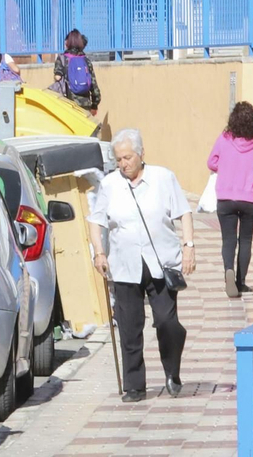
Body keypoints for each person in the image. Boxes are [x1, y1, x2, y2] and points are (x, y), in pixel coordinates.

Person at [88, 128, 195, 402]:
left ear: (141, 154)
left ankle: (172, 372)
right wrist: (99, 253)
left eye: (127, 157)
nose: (123, 164)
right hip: (124, 264)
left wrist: (189, 246)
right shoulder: (110, 184)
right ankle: (134, 386)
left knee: (167, 322)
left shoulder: (163, 178)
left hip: (161, 262)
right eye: (118, 159)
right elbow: (96, 220)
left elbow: (183, 212)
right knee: (129, 327)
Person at [208, 101, 253, 299]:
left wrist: (227, 168)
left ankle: (228, 270)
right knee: (245, 240)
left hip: (226, 197)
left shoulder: (224, 138)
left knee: (228, 239)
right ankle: (241, 283)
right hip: (250, 200)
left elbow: (211, 162)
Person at [52, 29, 101, 112]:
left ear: (68, 42)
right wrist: (94, 105)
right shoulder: (85, 60)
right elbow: (93, 85)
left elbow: (57, 77)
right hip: (85, 105)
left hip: (68, 105)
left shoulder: (62, 58)